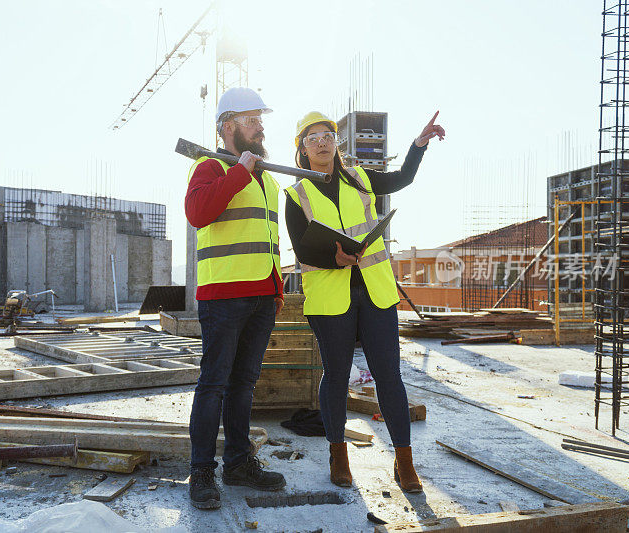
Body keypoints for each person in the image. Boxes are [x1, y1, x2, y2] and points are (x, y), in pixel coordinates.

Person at [284, 110, 445, 492]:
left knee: (389, 375)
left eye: (327, 135)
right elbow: (301, 250)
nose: (322, 142)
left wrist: (418, 145)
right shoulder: (295, 194)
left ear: (335, 142)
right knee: (336, 376)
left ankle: (404, 460)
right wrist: (334, 259)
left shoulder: (359, 178)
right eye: (312, 138)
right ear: (302, 150)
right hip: (330, 297)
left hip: (375, 290)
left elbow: (402, 178)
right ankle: (338, 453)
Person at [184, 87, 287, 510]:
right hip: (224, 296)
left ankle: (239, 463)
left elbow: (269, 240)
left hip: (262, 295)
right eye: (251, 120)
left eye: (260, 120)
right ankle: (202, 471)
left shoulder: (270, 180)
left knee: (244, 385)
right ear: (228, 127)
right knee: (214, 385)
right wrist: (238, 172)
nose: (260, 127)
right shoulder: (208, 166)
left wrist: (277, 287)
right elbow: (198, 213)